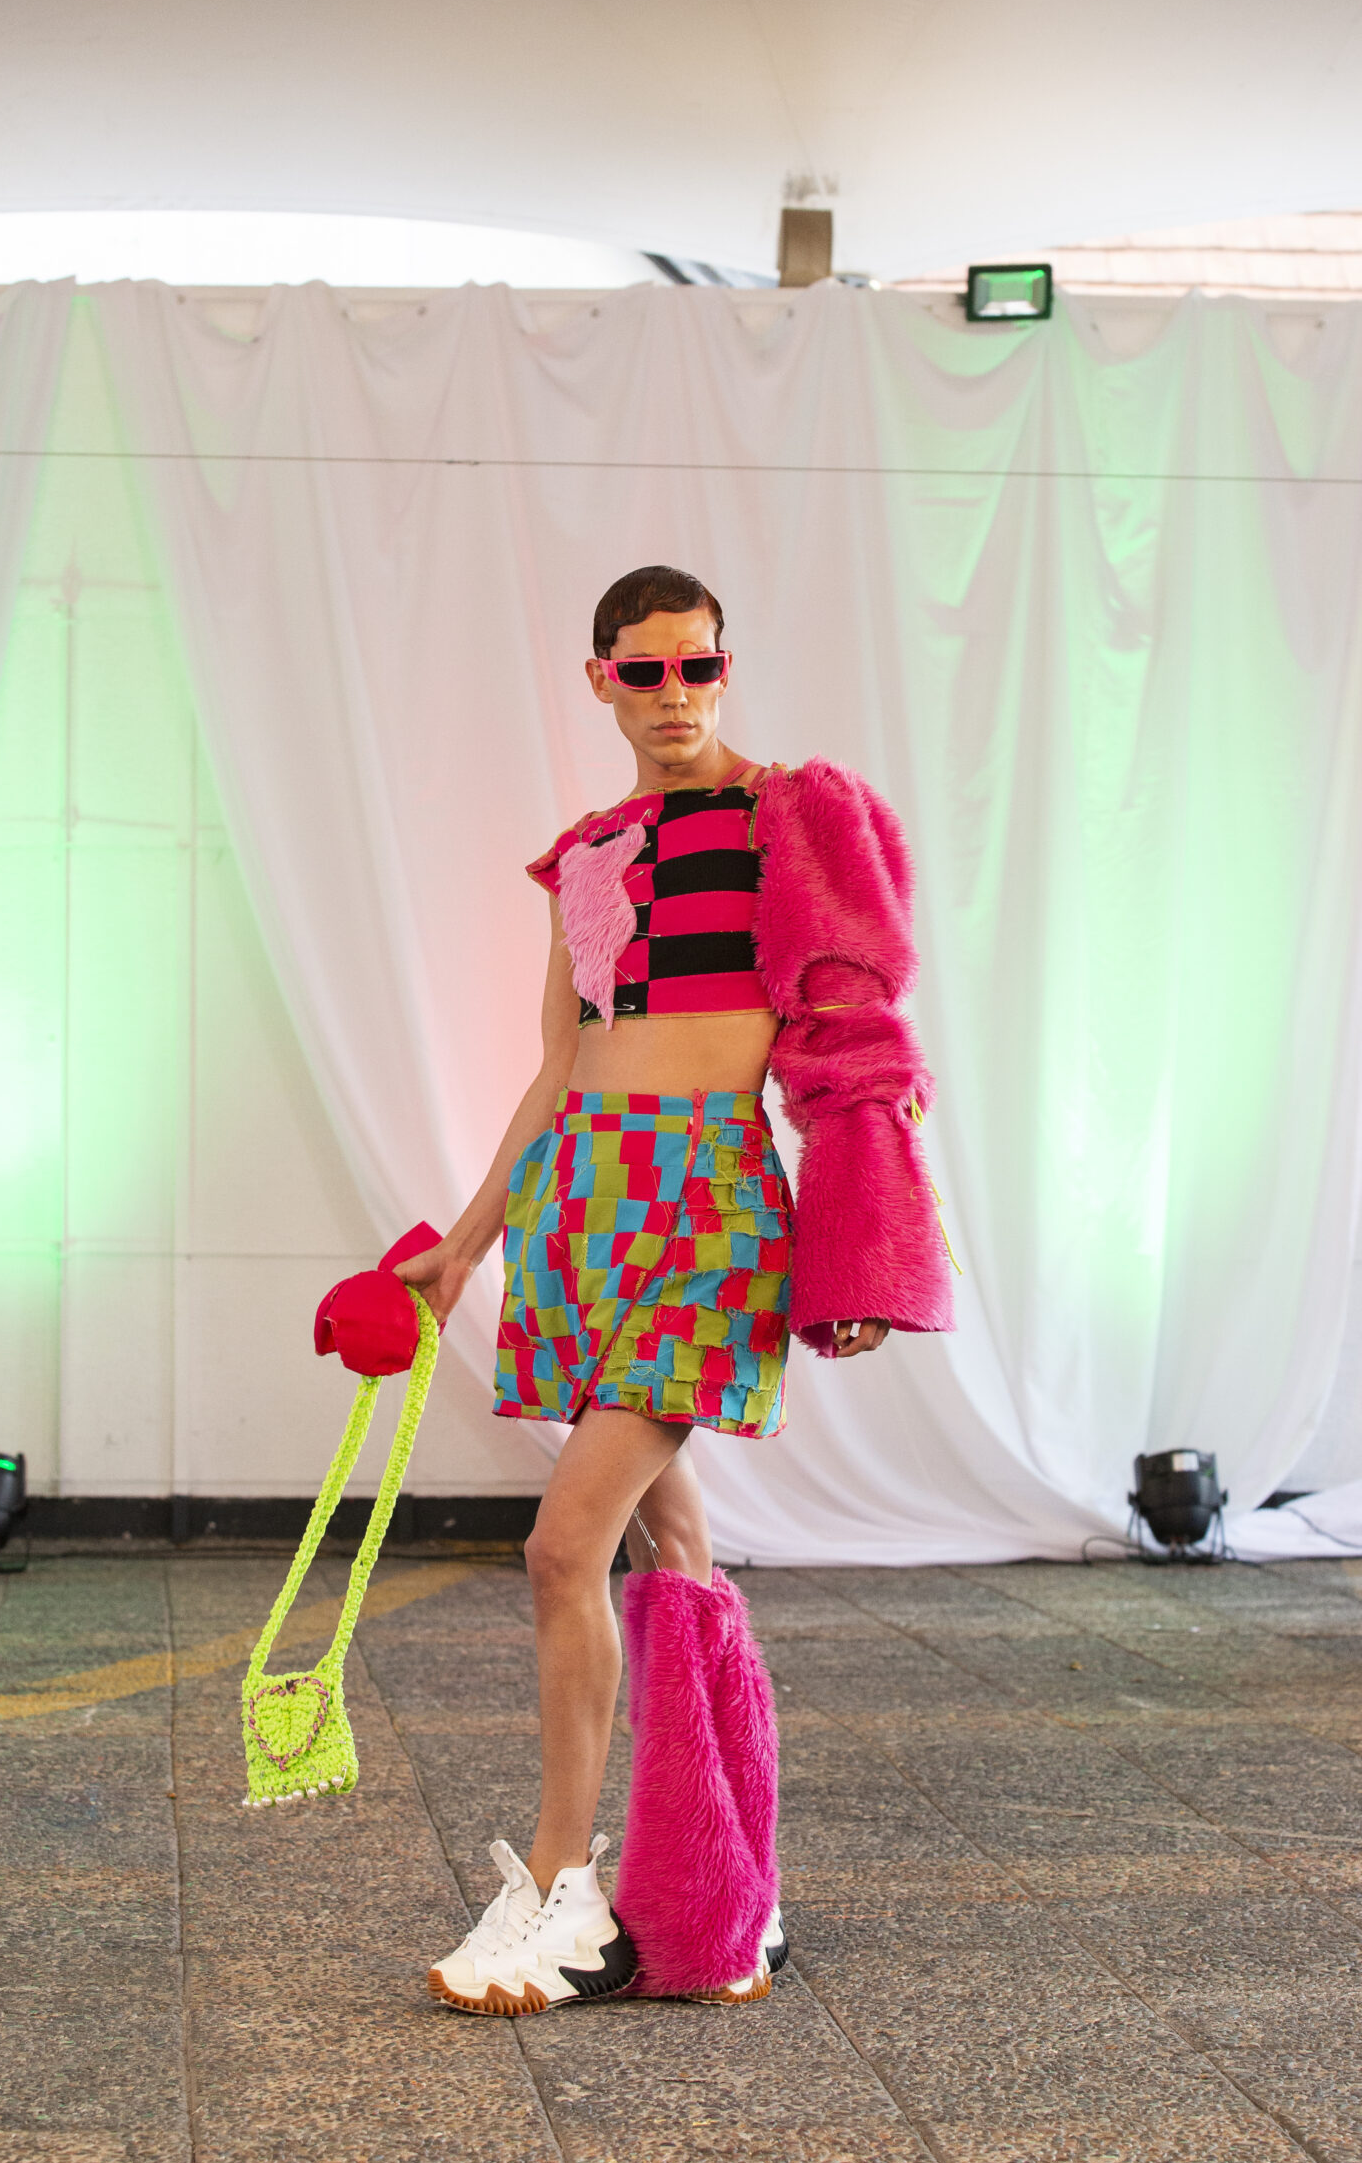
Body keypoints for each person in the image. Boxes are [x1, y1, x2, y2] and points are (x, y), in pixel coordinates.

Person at [400, 565, 952, 2014]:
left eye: (695, 667)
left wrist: (863, 1245)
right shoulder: (590, 853)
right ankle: (720, 1891)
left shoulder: (794, 818)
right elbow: (558, 1074)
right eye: (642, 671)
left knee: (560, 1550)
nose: (672, 696)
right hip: (582, 1210)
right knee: (675, 1546)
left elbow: (859, 1039)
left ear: (724, 666)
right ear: (602, 679)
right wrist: (466, 1244)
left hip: (709, 1207)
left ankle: (566, 1891)